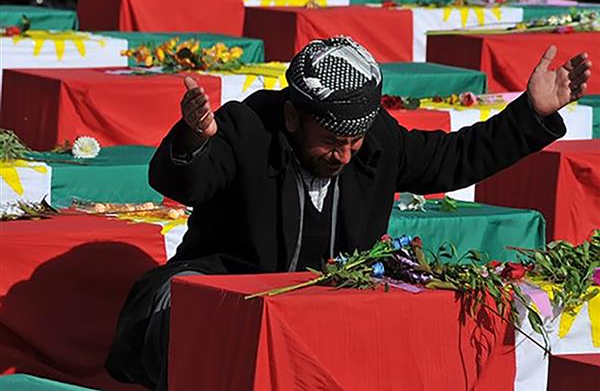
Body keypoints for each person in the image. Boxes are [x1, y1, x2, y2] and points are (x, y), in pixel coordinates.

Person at [106, 36, 592, 390]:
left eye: (353, 141)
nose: (343, 155)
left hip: (324, 307)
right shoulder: (247, 127)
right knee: (178, 309)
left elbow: (454, 157)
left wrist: (530, 114)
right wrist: (194, 139)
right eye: (332, 141)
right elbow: (186, 182)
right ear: (293, 116)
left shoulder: (376, 142)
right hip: (224, 290)